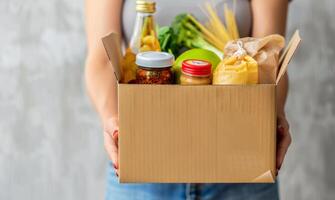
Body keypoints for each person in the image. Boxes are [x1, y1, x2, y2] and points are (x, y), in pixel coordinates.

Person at [84, 0, 292, 199]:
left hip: (241, 166)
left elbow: (270, 61)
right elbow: (101, 59)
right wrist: (112, 121)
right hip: (143, 167)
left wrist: (274, 115)